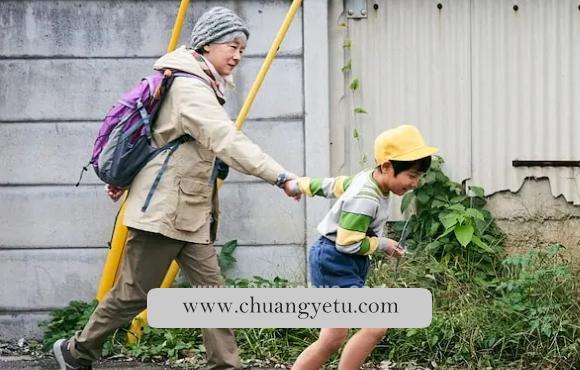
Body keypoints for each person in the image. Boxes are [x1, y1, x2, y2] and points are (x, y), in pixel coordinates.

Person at [53, 7, 297, 370]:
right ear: (207, 44)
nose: (237, 56)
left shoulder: (202, 82)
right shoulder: (190, 88)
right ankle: (77, 351)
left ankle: (226, 366)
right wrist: (280, 176)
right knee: (133, 294)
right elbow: (226, 139)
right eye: (232, 45)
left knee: (213, 296)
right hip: (163, 212)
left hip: (190, 214)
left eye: (242, 50)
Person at [286, 125, 439, 370]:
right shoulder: (366, 198)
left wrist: (298, 185)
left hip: (337, 260)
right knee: (376, 324)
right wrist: (384, 244)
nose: (415, 183)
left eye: (418, 176)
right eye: (411, 175)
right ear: (387, 167)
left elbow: (332, 185)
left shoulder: (367, 179)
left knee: (331, 339)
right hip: (335, 261)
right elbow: (347, 243)